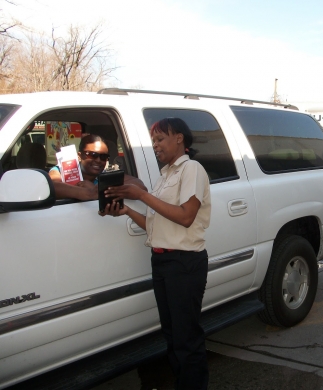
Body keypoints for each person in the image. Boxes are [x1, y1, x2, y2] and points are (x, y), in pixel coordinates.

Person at [99, 117, 211, 389]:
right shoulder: (165, 175)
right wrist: (126, 210)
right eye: (154, 141)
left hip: (184, 263)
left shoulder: (191, 169)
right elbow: (155, 224)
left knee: (186, 338)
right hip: (163, 261)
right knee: (172, 334)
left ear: (179, 139)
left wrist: (141, 195)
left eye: (160, 139)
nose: (156, 145)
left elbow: (185, 217)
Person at [49, 134, 146, 200]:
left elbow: (140, 186)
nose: (99, 160)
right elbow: (53, 186)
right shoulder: (62, 170)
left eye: (104, 157)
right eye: (93, 155)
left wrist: (99, 189)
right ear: (79, 155)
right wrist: (90, 193)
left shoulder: (104, 176)